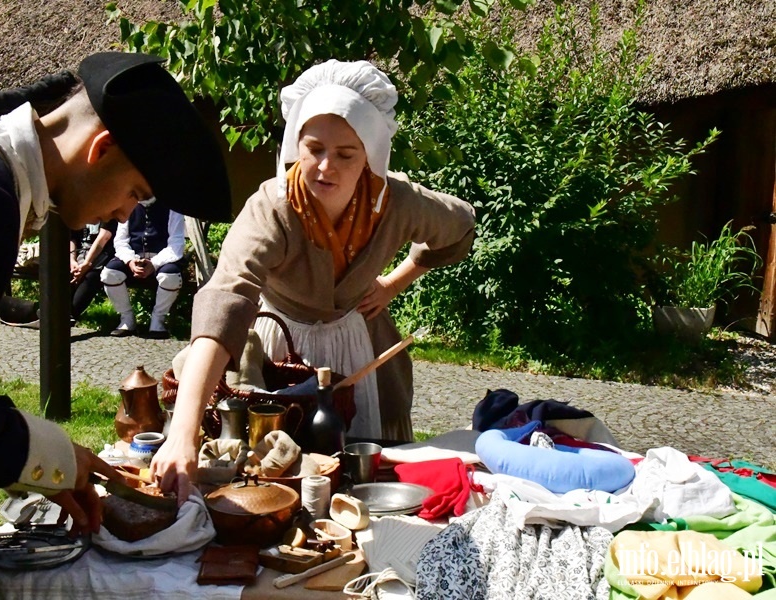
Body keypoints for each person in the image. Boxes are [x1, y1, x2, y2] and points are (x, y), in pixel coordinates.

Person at [0, 52, 231, 598]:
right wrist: (50, 457)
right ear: (102, 148)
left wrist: (47, 459)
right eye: (135, 194)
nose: (122, 216)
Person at [152, 60, 476, 505]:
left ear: (370, 155)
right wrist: (183, 434)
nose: (327, 167)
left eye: (346, 154)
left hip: (357, 340)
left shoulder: (395, 202)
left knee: (362, 479)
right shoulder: (273, 208)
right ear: (295, 145)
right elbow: (227, 295)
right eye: (314, 148)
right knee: (276, 472)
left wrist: (395, 282)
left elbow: (459, 228)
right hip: (280, 346)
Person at [101, 198, 187, 338]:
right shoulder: (127, 203)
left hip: (162, 258)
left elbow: (176, 244)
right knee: (109, 274)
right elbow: (121, 241)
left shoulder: (172, 206)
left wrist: (153, 264)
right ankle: (127, 319)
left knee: (170, 277)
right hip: (133, 258)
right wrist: (130, 261)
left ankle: (158, 320)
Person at [70, 219, 117, 323]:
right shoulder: (79, 209)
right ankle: (50, 314)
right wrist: (72, 260)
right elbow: (72, 237)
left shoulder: (108, 210)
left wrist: (87, 263)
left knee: (91, 278)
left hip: (101, 258)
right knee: (65, 274)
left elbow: (104, 237)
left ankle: (68, 316)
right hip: (78, 256)